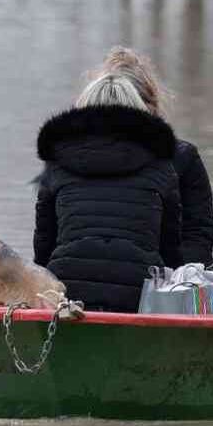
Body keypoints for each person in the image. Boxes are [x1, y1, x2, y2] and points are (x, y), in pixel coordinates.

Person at [33, 72, 182, 312]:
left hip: (67, 290)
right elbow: (171, 246)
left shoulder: (56, 164)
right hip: (140, 294)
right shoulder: (161, 166)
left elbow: (43, 244)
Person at [100, 47, 213, 269]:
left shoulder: (183, 158)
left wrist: (170, 277)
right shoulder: (76, 160)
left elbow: (198, 237)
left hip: (165, 274)